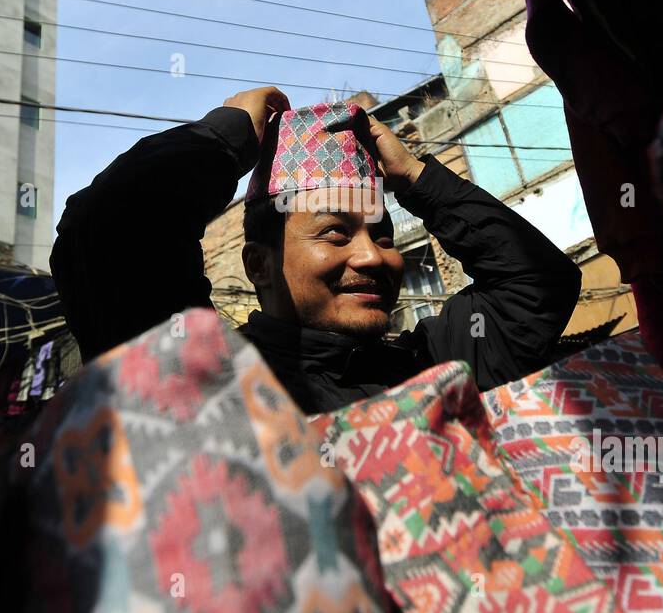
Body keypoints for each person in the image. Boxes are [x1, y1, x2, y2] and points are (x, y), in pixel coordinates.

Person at [50, 86, 582, 414]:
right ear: (258, 264)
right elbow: (103, 232)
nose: (374, 258)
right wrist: (226, 136)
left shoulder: (431, 366)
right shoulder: (209, 382)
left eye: (383, 236)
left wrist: (416, 177)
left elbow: (536, 283)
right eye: (334, 232)